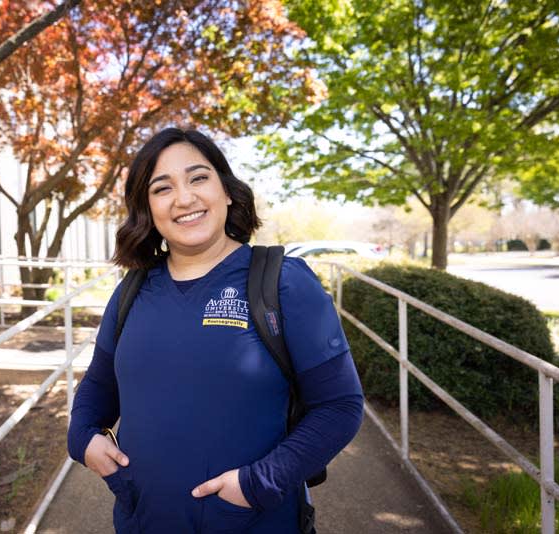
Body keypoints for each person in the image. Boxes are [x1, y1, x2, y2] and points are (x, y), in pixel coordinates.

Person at [67, 127, 364, 533]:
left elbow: (340, 407)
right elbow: (100, 384)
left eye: (198, 178)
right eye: (161, 188)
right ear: (147, 209)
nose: (184, 198)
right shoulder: (131, 290)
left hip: (252, 522)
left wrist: (258, 485)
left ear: (226, 190)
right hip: (142, 521)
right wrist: (82, 437)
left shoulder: (282, 283)